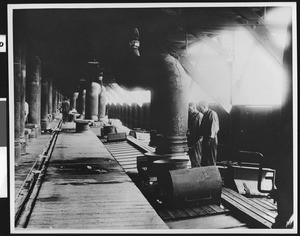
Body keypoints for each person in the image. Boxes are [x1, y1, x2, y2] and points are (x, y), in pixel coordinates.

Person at [198, 101, 219, 166]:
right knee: (205, 159)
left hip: (211, 140)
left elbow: (214, 127)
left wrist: (209, 139)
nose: (199, 109)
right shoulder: (205, 114)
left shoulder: (212, 114)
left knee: (210, 159)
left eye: (200, 107)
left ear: (204, 106)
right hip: (206, 139)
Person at [187, 102, 203, 168]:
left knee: (196, 156)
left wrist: (197, 139)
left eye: (190, 109)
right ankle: (194, 167)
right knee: (192, 156)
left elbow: (200, 129)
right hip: (192, 138)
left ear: (194, 107)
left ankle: (197, 169)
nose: (189, 111)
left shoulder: (199, 115)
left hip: (197, 140)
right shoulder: (192, 116)